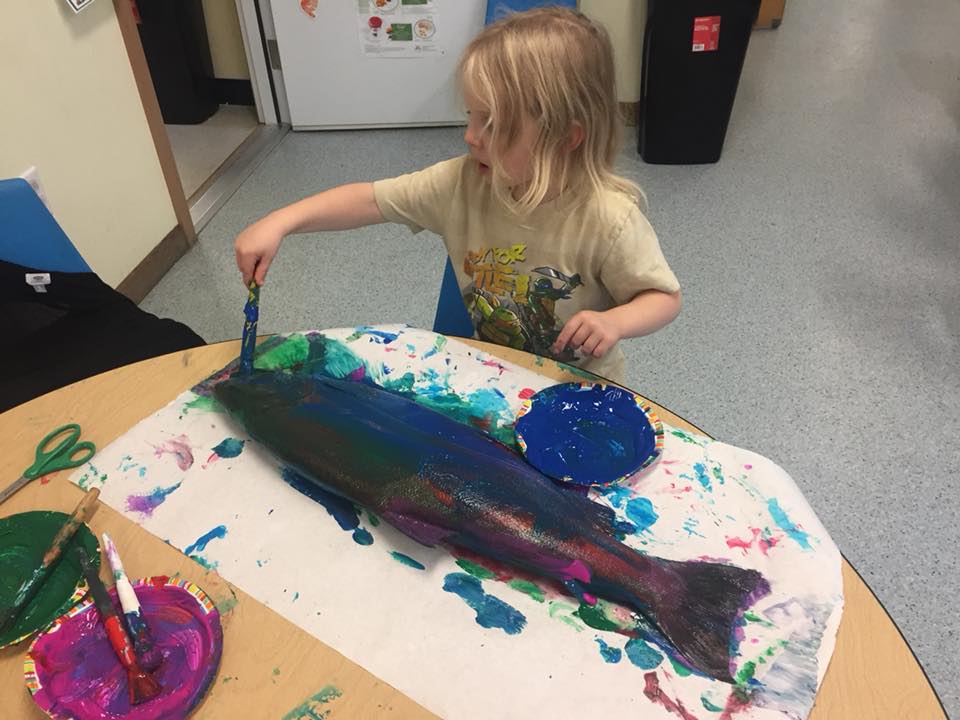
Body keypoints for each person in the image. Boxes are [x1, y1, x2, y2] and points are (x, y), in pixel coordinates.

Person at [235, 7, 681, 383]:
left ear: (566, 137)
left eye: (494, 124)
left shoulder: (608, 218)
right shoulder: (461, 183)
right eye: (471, 115)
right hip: (492, 377)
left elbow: (662, 298)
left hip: (580, 388)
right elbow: (369, 200)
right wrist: (281, 221)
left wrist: (613, 322)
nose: (470, 136)